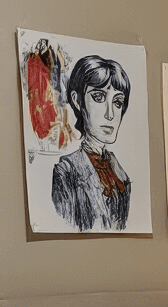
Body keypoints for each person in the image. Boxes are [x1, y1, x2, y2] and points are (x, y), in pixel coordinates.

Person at [51, 55, 131, 231]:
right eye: (99, 97)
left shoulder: (119, 172)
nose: (110, 114)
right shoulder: (67, 170)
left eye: (117, 102)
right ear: (78, 100)